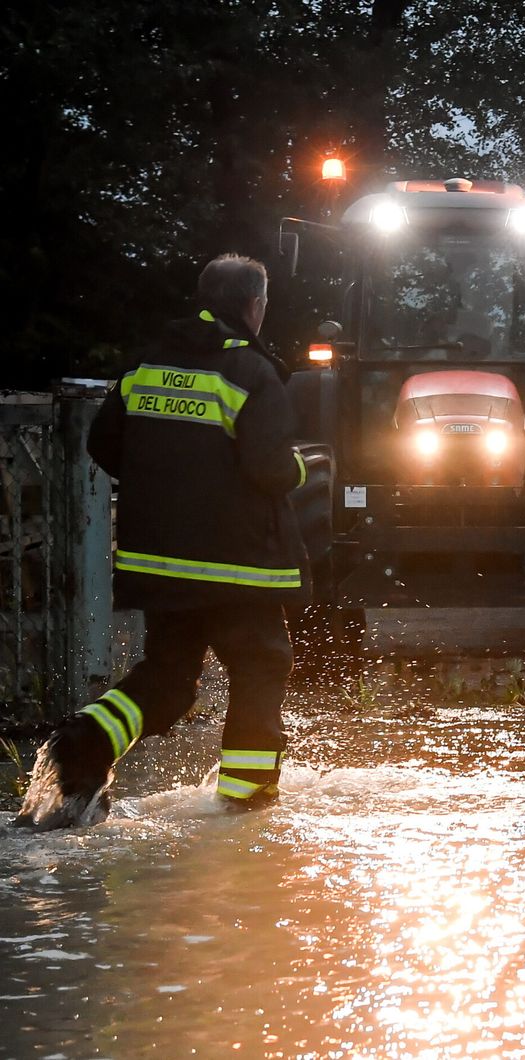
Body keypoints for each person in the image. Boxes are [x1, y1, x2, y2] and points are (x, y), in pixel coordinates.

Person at [15, 254, 309, 830]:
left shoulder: (148, 363)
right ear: (254, 306)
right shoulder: (251, 372)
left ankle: (88, 737)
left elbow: (105, 443)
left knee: (170, 681)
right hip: (236, 566)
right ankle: (246, 802)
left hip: (160, 562)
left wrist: (170, 484)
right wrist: (303, 466)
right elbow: (272, 470)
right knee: (261, 663)